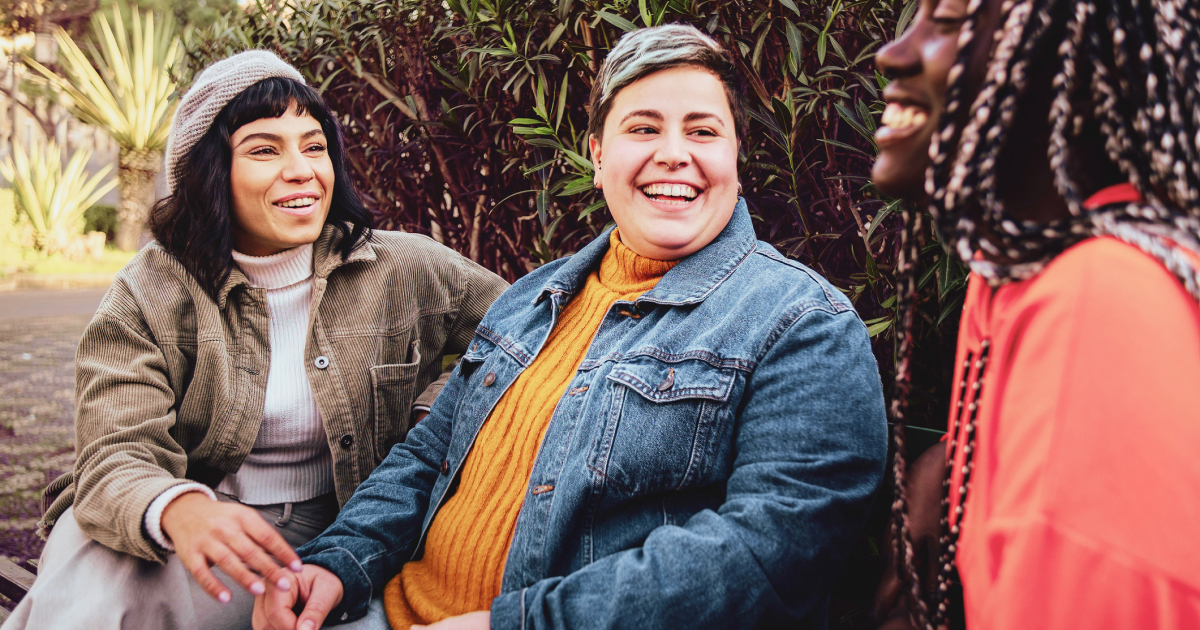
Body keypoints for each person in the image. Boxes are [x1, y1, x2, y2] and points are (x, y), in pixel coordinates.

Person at [250, 24, 889, 630]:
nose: (674, 154)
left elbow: (767, 553)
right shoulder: (533, 296)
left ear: (736, 159)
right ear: (597, 153)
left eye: (703, 132)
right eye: (644, 128)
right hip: (390, 610)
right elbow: (428, 457)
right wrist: (336, 561)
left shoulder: (803, 326)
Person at [1, 50, 508, 630]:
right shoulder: (149, 291)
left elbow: (526, 335)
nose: (301, 170)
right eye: (265, 149)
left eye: (314, 146)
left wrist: (435, 410)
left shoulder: (404, 266)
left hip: (351, 535)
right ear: (211, 171)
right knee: (92, 556)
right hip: (207, 529)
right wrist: (180, 508)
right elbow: (116, 454)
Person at [870, 0, 1200, 626]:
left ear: (1076, 63)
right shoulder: (1018, 275)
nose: (894, 53)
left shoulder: (1102, 303)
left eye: (947, 19)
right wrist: (947, 469)